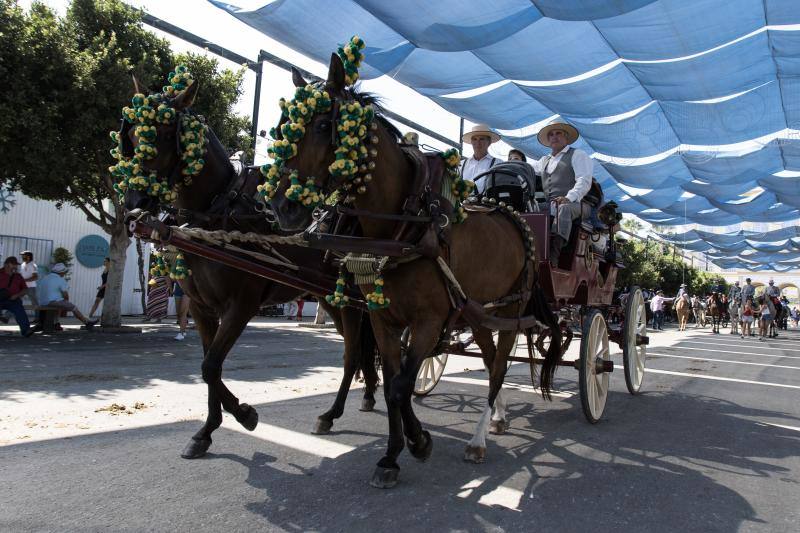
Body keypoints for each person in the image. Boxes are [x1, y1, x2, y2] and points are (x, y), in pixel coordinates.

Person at [530, 120, 594, 266]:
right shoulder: (544, 160)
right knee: (530, 210)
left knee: (563, 209)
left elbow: (584, 180)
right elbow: (528, 169)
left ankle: (554, 254)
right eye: (551, 134)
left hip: (577, 204)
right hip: (551, 204)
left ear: (566, 137)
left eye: (558, 133)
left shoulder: (577, 154)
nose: (554, 136)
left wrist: (569, 197)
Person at [37, 263, 97, 329]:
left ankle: (56, 323)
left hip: (42, 302)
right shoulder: (60, 280)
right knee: (73, 307)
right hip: (52, 301)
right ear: (61, 272)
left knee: (59, 305)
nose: (64, 274)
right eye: (64, 272)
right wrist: (67, 303)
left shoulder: (45, 277)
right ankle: (87, 323)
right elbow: (65, 295)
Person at [0, 256, 35, 337]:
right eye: (14, 264)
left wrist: (17, 295)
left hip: (13, 300)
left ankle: (26, 330)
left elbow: (25, 289)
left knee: (20, 310)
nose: (16, 266)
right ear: (8, 264)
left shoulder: (18, 276)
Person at [460, 124, 500, 192]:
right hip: (462, 202)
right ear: (471, 142)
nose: (478, 143)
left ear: (489, 142)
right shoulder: (461, 164)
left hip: (487, 202)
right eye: (475, 139)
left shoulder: (498, 163)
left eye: (482, 139)